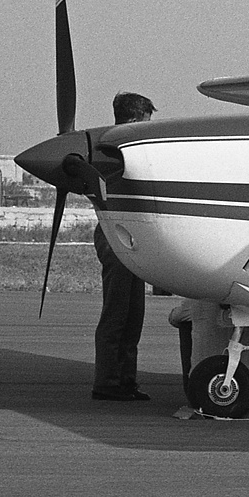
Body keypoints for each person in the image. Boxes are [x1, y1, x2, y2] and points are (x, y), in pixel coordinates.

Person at [89, 91, 155, 401]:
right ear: (134, 119)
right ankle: (108, 382)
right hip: (117, 234)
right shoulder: (111, 153)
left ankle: (125, 381)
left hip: (132, 236)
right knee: (117, 313)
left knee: (132, 314)